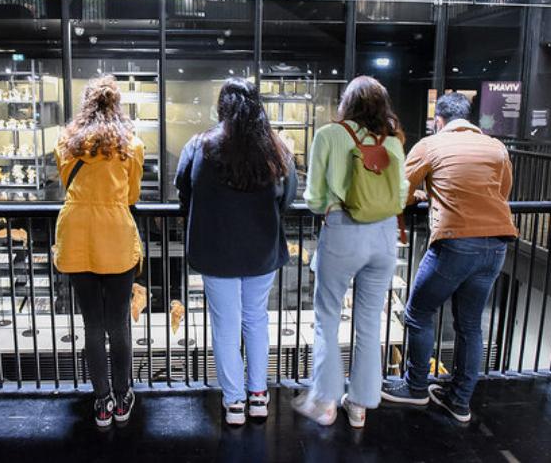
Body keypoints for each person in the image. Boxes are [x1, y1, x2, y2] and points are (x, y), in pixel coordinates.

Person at [381, 92, 518, 423]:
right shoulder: (496, 146)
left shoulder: (431, 145)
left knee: (418, 312)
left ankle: (415, 388)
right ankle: (459, 400)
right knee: (470, 324)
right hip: (498, 243)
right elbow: (502, 191)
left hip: (456, 241)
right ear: (467, 118)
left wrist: (420, 195)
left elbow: (398, 193)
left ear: (438, 121)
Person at [175, 78, 297, 426]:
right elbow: (287, 197)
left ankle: (234, 403)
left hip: (217, 252)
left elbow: (185, 190)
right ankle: (259, 396)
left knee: (225, 327)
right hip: (261, 251)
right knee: (256, 319)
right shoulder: (277, 149)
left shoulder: (200, 146)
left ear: (221, 109)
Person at [294, 76, 407, 429]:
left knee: (327, 316)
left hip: (343, 232)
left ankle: (325, 402)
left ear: (347, 103)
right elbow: (400, 196)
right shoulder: (393, 142)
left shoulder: (329, 135)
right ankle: (359, 405)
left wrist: (327, 205)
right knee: (371, 322)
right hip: (385, 236)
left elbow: (313, 197)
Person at [53, 76, 145, 428]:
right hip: (116, 234)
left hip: (76, 231)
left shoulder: (66, 142)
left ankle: (102, 402)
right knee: (118, 321)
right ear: (116, 105)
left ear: (86, 106)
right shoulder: (131, 145)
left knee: (92, 323)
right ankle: (124, 398)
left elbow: (66, 182)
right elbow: (132, 195)